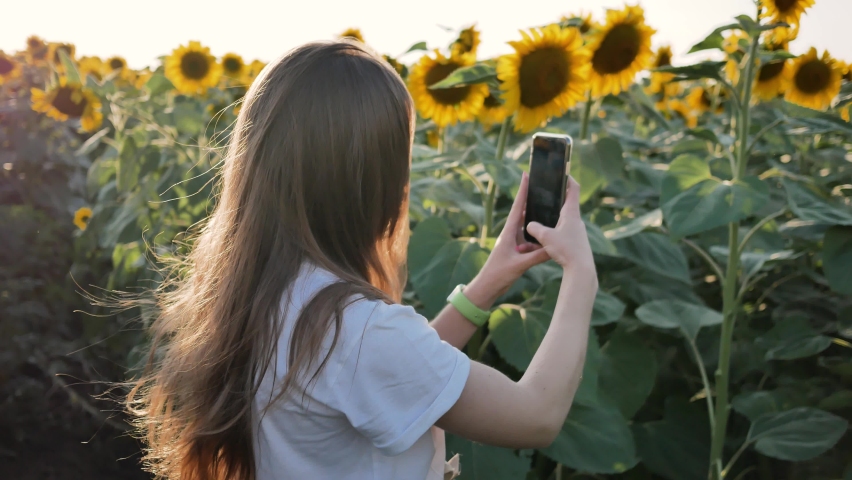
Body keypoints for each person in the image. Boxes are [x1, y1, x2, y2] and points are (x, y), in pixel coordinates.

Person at [126, 40, 598, 480]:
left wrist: (487, 284)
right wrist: (580, 275)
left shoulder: (273, 291)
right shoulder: (358, 330)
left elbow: (390, 373)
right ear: (373, 183)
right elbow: (535, 416)